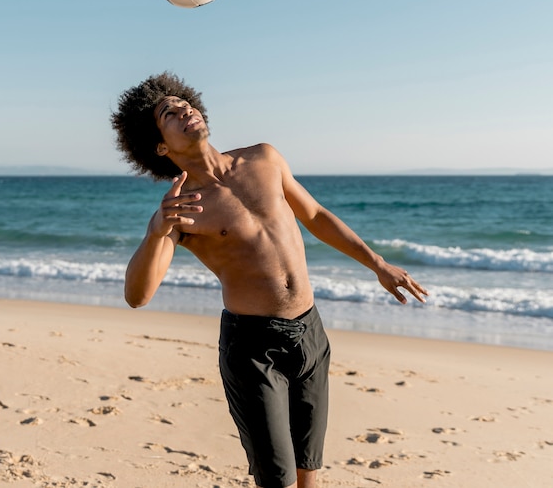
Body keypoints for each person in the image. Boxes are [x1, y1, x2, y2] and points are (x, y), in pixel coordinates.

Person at [111, 72, 428, 488]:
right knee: (277, 480)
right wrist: (156, 231)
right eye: (169, 113)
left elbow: (315, 216)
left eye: (183, 103)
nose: (185, 110)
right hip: (254, 349)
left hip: (310, 332)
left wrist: (377, 263)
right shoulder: (181, 210)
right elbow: (138, 295)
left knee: (308, 472)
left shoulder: (263, 158)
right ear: (160, 146)